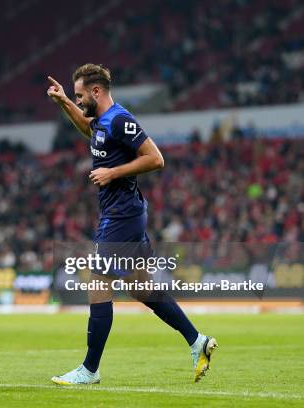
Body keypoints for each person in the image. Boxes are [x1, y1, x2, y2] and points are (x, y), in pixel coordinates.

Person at [46, 64, 217, 384]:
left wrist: (112, 173)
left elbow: (156, 158)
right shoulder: (102, 122)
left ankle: (89, 370)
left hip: (121, 216)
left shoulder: (121, 120)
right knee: (141, 289)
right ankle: (198, 342)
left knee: (98, 285)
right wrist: (64, 103)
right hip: (123, 212)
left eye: (81, 95)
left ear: (97, 92)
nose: (79, 100)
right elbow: (89, 129)